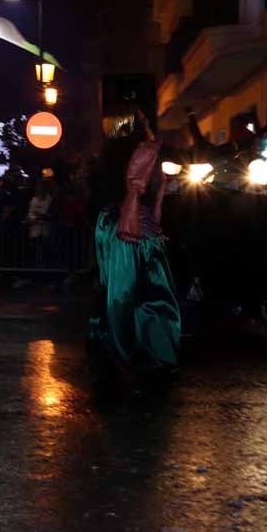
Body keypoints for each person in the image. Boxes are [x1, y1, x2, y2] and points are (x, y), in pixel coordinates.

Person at [88, 112, 181, 384]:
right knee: (149, 292)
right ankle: (144, 351)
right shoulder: (150, 151)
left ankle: (107, 346)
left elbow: (95, 198)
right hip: (134, 230)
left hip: (109, 226)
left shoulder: (105, 159)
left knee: (113, 288)